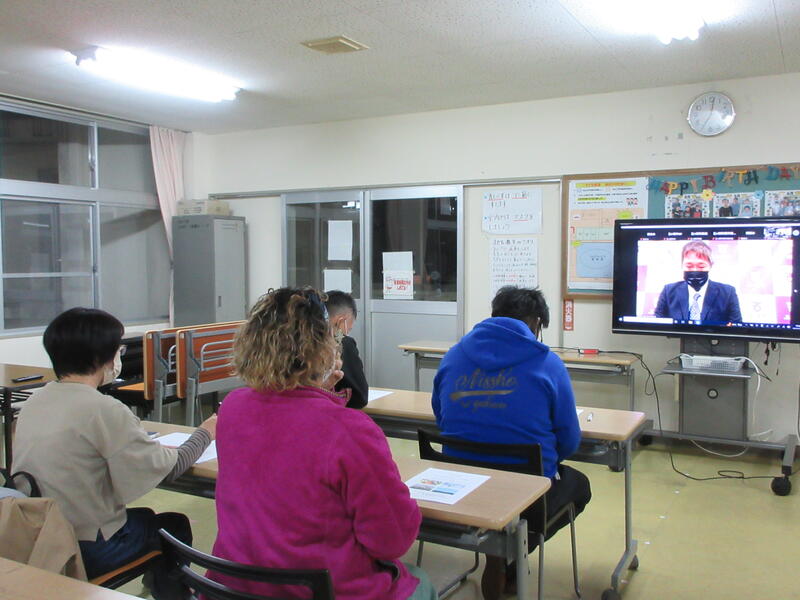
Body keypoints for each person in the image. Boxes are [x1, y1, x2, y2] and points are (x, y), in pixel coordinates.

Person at [209, 287, 435, 600]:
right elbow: (392, 540)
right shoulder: (349, 430)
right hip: (321, 590)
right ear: (324, 350)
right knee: (422, 583)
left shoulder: (233, 407)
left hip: (237, 586)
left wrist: (318, 390)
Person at [12, 307, 216, 600]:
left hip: (37, 536)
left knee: (145, 518)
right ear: (101, 358)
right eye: (118, 350)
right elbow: (169, 469)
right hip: (84, 547)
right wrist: (205, 432)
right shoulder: (103, 409)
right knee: (173, 526)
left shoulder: (34, 401)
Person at [431, 286, 591, 600]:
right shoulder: (547, 363)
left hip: (459, 488)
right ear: (536, 324)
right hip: (526, 495)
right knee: (579, 486)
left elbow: (441, 417)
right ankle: (511, 554)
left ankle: (499, 553)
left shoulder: (454, 355)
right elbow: (569, 441)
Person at [654, 241, 742, 323]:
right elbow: (658, 324)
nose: (695, 270)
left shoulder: (728, 293)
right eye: (689, 266)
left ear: (710, 265)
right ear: (682, 265)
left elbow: (736, 326)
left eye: (701, 266)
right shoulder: (668, 291)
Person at [325, 290, 368, 409]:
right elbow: (360, 397)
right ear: (340, 322)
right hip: (331, 411)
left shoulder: (297, 342)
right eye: (348, 329)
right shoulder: (342, 343)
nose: (345, 334)